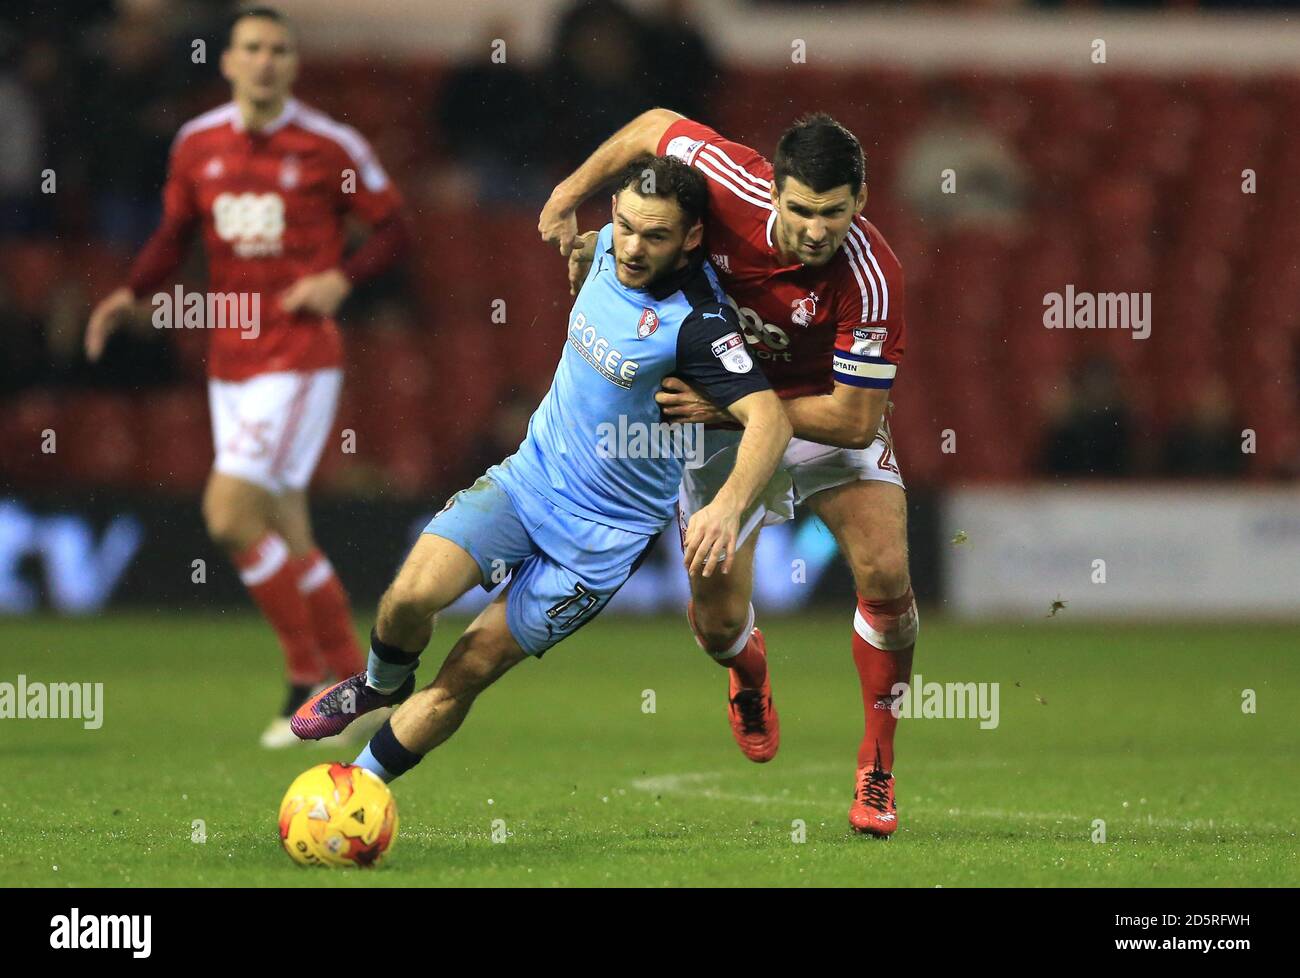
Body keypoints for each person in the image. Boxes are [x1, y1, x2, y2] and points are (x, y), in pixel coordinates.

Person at [290, 157, 792, 790]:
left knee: (468, 668)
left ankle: (353, 788)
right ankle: (376, 685)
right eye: (627, 226)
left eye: (655, 236)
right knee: (409, 597)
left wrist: (726, 504)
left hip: (599, 542)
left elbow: (770, 418)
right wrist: (573, 214)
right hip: (528, 481)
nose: (634, 247)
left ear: (691, 239)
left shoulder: (698, 325)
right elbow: (639, 151)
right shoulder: (607, 245)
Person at [539, 109, 914, 836]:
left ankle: (876, 764)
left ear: (860, 201)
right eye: (800, 209)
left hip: (813, 417)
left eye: (833, 214)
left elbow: (854, 422)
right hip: (724, 422)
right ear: (773, 191)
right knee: (716, 626)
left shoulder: (872, 277)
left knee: (888, 574)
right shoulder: (727, 180)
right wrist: (567, 193)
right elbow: (652, 126)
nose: (814, 230)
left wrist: (727, 407)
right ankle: (748, 675)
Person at [84, 6, 409, 747]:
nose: (265, 60)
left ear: (293, 65)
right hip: (228, 360)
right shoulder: (197, 144)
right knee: (287, 526)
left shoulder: (332, 145)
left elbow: (394, 227)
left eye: (278, 50)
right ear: (227, 62)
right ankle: (358, 690)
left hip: (297, 356)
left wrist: (342, 279)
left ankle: (306, 681)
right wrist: (132, 294)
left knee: (229, 514)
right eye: (252, 48)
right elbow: (173, 234)